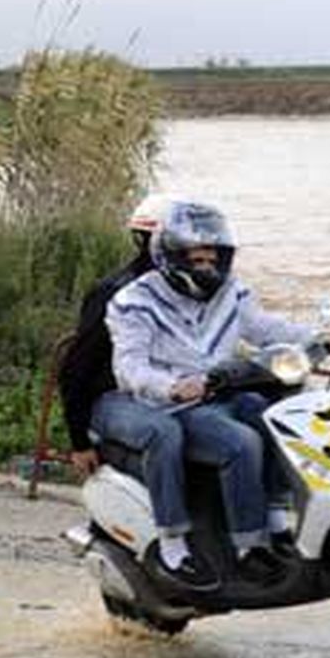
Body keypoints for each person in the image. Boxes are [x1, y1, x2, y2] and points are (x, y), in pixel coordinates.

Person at [107, 201, 319, 587]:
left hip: (219, 393)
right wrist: (172, 387)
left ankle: (275, 520)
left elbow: (264, 327)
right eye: (197, 257)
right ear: (171, 256)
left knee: (270, 416)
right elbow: (129, 367)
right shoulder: (134, 302)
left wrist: (316, 339)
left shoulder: (231, 292)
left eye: (213, 256)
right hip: (174, 405)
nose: (207, 265)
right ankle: (228, 549)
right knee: (240, 444)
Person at [58, 194, 222, 590]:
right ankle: (173, 545)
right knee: (164, 433)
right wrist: (79, 440)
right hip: (115, 401)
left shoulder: (191, 290)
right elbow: (76, 368)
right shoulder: (119, 294)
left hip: (162, 396)